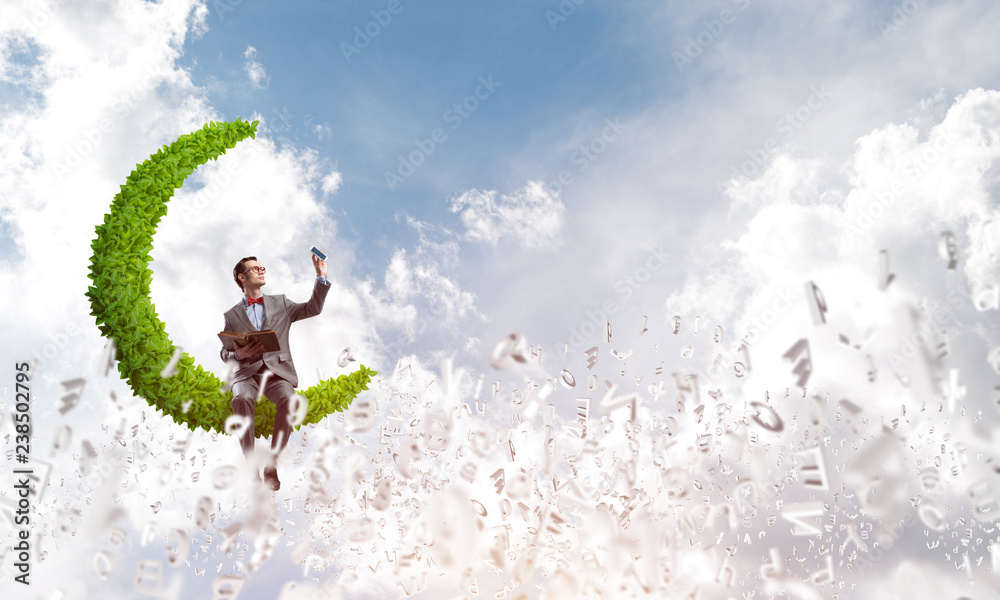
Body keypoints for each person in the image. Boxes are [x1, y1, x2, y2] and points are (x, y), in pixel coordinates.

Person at [220, 254, 330, 490]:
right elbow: (225, 353)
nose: (262, 271)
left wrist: (321, 278)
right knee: (241, 398)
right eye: (256, 268)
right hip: (246, 374)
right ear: (242, 277)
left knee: (290, 402)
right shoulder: (231, 316)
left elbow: (313, 308)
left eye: (262, 267)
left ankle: (272, 464)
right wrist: (239, 355)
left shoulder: (281, 303)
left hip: (276, 372)